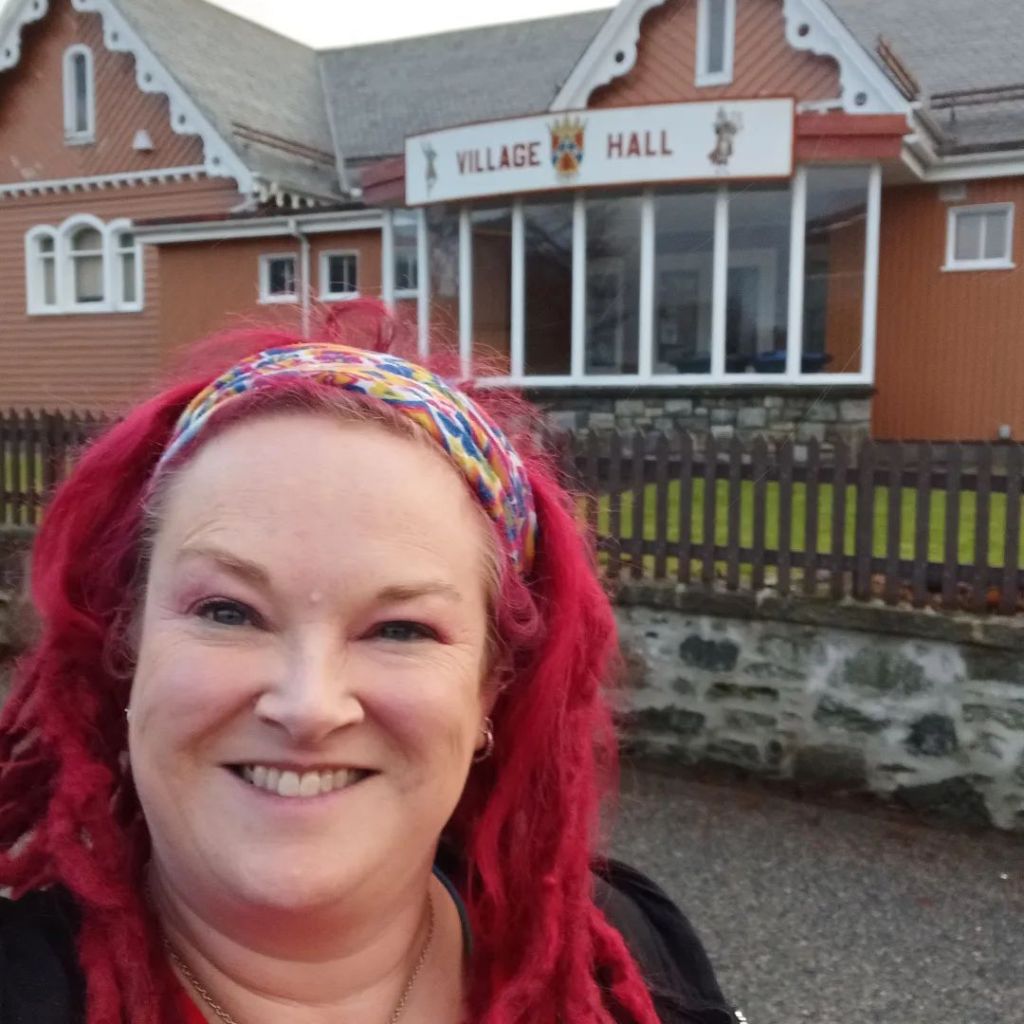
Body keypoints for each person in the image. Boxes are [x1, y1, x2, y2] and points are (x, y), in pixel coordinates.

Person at [0, 304, 738, 1024]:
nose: (308, 705)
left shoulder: (628, 965)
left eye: (400, 630)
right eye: (228, 612)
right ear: (127, 645)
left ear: (489, 686)